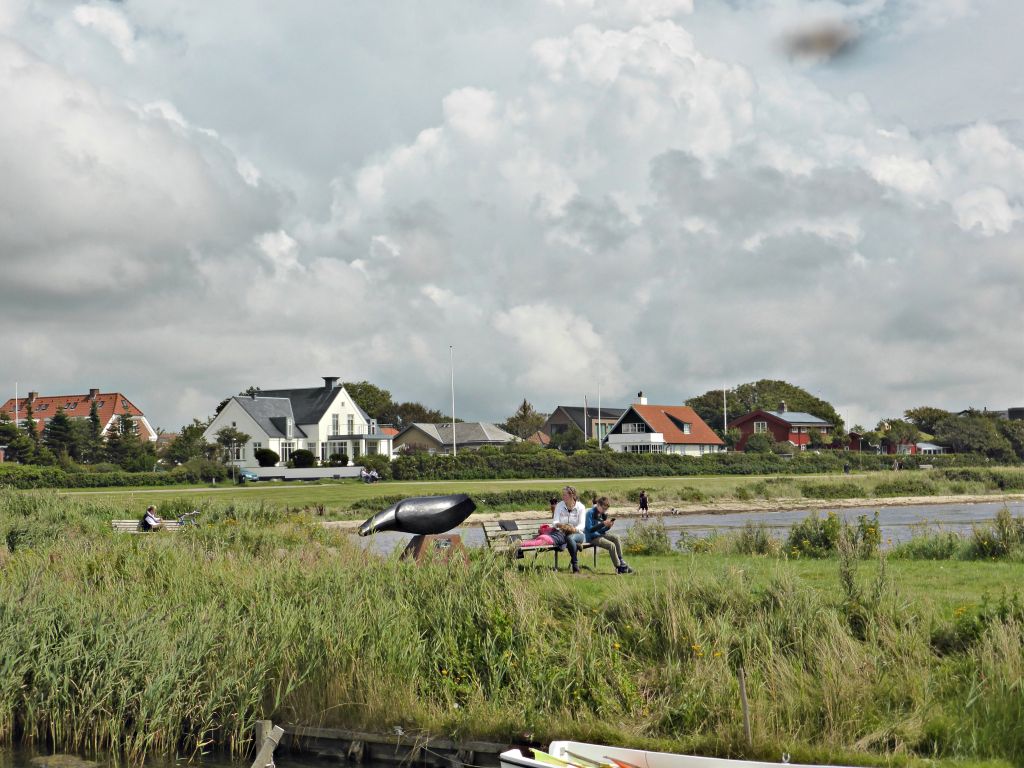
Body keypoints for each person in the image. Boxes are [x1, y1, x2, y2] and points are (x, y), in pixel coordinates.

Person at [586, 496, 633, 574]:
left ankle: (621, 560)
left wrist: (608, 527)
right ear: (598, 505)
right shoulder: (590, 513)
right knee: (611, 545)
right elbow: (590, 529)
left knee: (616, 537)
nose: (604, 511)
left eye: (606, 509)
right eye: (603, 509)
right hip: (591, 537)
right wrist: (603, 523)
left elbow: (601, 530)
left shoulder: (601, 514)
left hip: (599, 534)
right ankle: (618, 567)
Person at [552, 486, 587, 573]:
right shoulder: (559, 505)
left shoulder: (581, 507)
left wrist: (573, 529)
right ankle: (576, 547)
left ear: (572, 495)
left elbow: (582, 525)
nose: (563, 497)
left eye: (565, 495)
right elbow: (554, 521)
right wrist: (559, 525)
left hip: (578, 534)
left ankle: (575, 564)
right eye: (562, 495)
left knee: (570, 538)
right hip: (563, 532)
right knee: (567, 539)